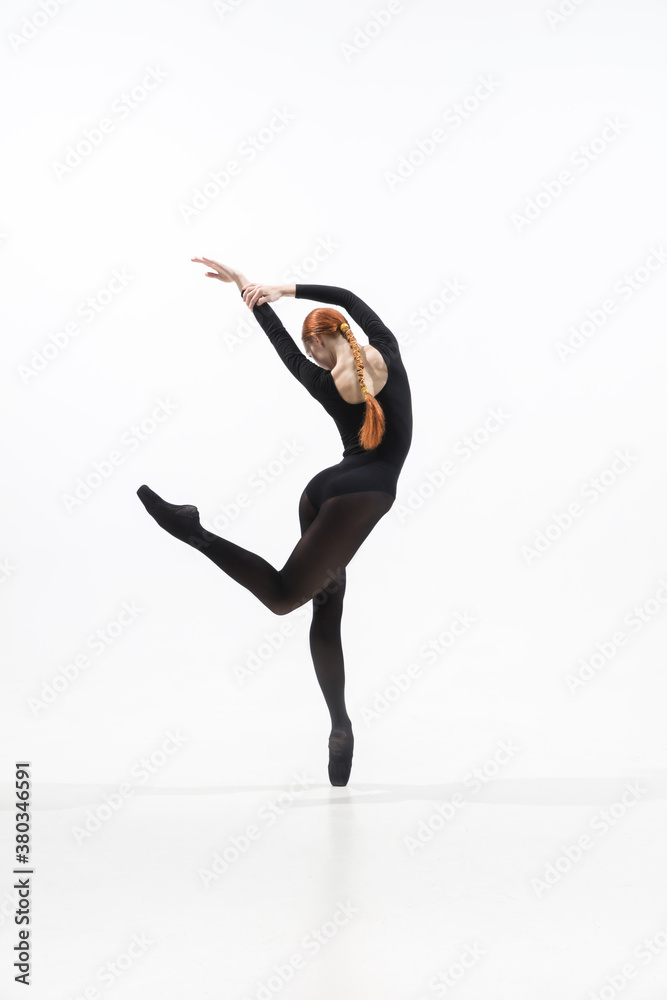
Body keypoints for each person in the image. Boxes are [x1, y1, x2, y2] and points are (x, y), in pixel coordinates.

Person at [137, 257, 413, 785]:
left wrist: (251, 292)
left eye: (312, 348)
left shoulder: (321, 381)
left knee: (323, 612)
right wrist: (284, 289)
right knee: (287, 597)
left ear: (320, 345)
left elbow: (283, 347)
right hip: (361, 497)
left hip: (324, 491)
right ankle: (194, 531)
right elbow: (348, 295)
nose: (309, 354)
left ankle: (339, 730)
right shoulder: (388, 349)